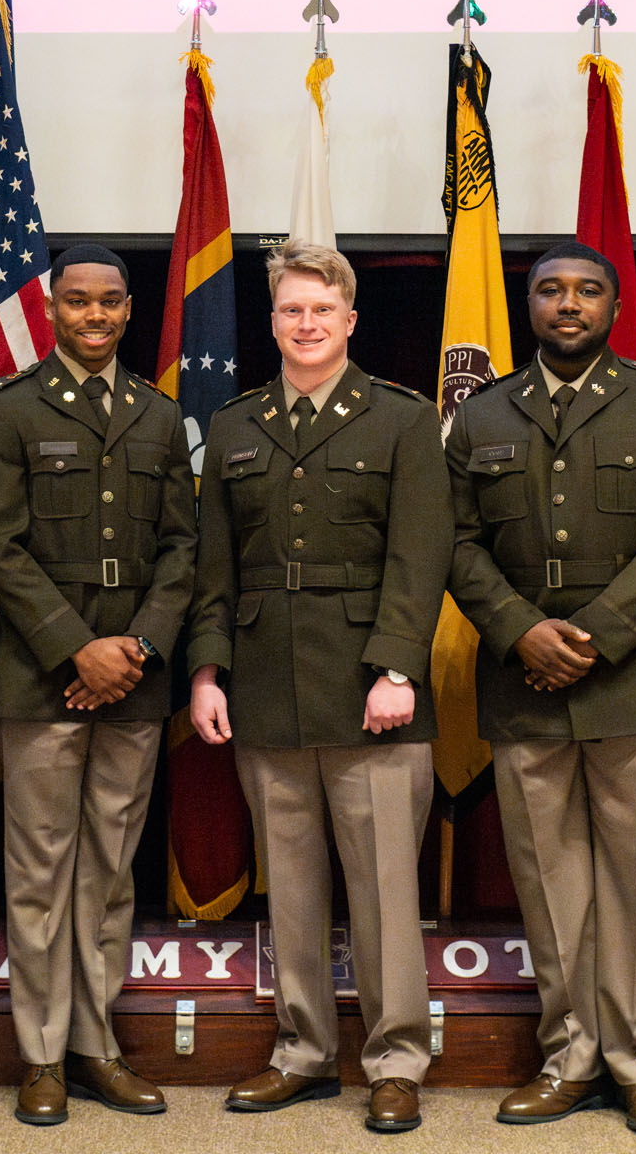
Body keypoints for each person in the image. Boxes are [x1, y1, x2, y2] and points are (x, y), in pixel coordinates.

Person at [445, 240, 636, 1137]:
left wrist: (589, 637)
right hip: (523, 679)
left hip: (632, 678)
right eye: (551, 291)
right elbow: (454, 542)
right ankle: (571, 1056)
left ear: (612, 305)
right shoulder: (483, 414)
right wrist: (523, 629)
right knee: (550, 878)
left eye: (587, 290)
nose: (569, 304)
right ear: (530, 308)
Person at [185, 241, 452, 1135]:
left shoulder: (403, 419)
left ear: (349, 321)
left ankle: (395, 1058)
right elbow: (212, 566)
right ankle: (299, 1051)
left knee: (383, 889)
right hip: (265, 685)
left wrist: (397, 667)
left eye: (321, 312)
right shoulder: (235, 424)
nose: (306, 325)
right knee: (290, 887)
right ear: (273, 323)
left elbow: (421, 557)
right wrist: (208, 670)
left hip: (372, 688)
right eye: (291, 312)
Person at [0, 244, 198, 1125]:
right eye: (76, 302)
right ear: (52, 310)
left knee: (107, 871)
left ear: (130, 311)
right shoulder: (10, 409)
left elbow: (182, 547)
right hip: (43, 681)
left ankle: (94, 1044)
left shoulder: (157, 416)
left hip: (132, 684)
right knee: (38, 871)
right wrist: (78, 650)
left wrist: (134, 647)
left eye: (108, 303)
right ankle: (40, 1055)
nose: (93, 316)